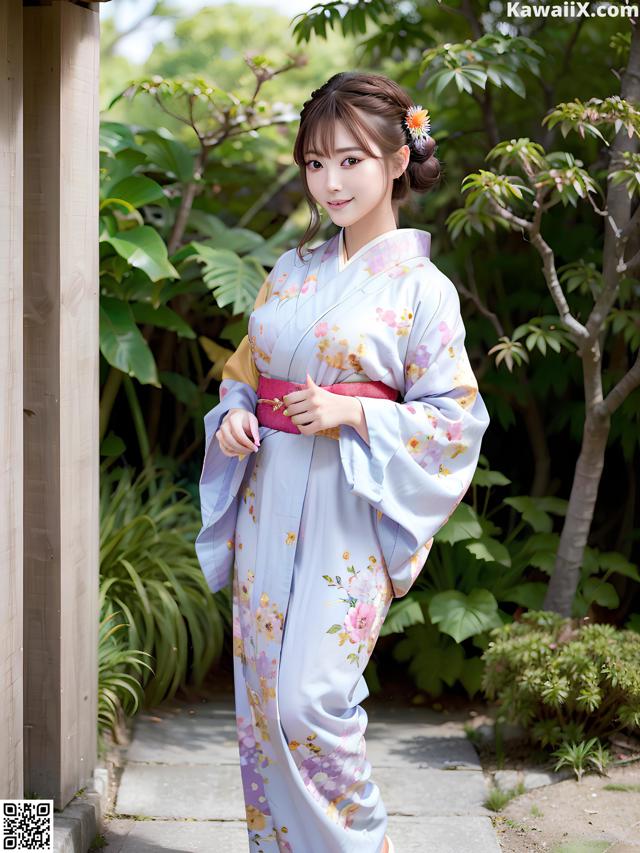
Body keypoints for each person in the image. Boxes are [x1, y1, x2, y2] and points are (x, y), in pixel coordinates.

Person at [195, 71, 490, 853]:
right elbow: (242, 373)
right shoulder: (290, 272)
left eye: (350, 160)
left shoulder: (423, 290)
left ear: (398, 160)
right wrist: (231, 418)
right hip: (268, 495)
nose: (330, 182)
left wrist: (353, 409)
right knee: (264, 701)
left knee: (311, 702)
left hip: (346, 506)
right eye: (315, 162)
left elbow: (455, 417)